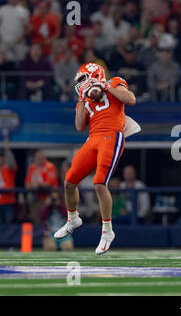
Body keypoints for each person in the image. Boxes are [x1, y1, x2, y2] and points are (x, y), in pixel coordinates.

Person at [53, 62, 137, 255]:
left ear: (95, 75)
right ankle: (73, 218)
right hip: (93, 138)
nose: (81, 84)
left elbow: (131, 99)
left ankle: (107, 231)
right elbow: (80, 126)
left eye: (83, 79)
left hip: (112, 135)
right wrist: (82, 101)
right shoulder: (84, 99)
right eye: (80, 81)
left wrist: (105, 87)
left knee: (100, 183)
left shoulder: (114, 82)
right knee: (69, 181)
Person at [25, 149, 59, 224]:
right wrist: (31, 185)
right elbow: (27, 182)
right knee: (36, 220)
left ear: (44, 157)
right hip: (35, 198)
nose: (38, 159)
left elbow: (49, 183)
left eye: (40, 157)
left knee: (46, 220)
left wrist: (38, 185)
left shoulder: (50, 166)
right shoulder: (32, 167)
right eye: (37, 157)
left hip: (48, 198)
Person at [0, 136, 18, 224]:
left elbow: (11, 162)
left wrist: (7, 149)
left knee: (9, 224)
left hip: (8, 201)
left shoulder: (8, 168)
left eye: (1, 157)